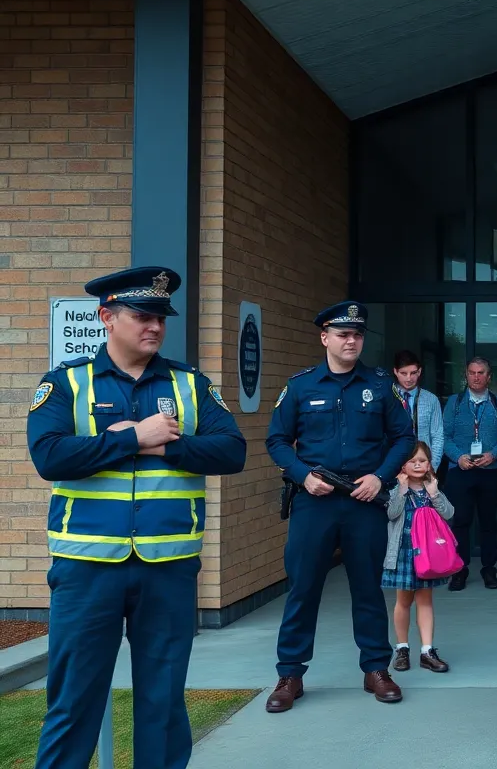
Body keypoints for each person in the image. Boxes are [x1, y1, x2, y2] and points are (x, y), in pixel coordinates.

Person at [26, 266, 247, 769]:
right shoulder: (65, 384)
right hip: (86, 569)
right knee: (73, 702)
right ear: (107, 317)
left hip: (168, 567)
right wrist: (129, 439)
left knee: (163, 704)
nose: (154, 327)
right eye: (142, 316)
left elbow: (232, 451)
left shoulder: (190, 385)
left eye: (161, 318)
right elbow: (50, 457)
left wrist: (163, 446)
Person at [264, 301, 415, 712]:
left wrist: (380, 477)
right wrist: (301, 475)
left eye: (358, 334)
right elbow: (277, 440)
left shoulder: (381, 386)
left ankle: (375, 669)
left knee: (367, 588)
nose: (352, 340)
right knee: (303, 587)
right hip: (315, 502)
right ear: (325, 338)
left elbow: (404, 437)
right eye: (343, 334)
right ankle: (290, 674)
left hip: (364, 502)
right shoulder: (301, 386)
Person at [441, 356, 497, 591]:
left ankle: (489, 570)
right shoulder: (454, 403)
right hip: (461, 471)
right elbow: (443, 436)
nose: (476, 377)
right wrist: (458, 457)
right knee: (460, 522)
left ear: (489, 376)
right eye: (472, 372)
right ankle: (459, 571)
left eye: (481, 372)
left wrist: (493, 454)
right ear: (465, 375)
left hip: (491, 471)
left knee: (488, 523)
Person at [382, 441, 455, 674]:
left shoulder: (432, 487)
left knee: (425, 601)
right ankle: (402, 649)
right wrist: (401, 491)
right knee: (403, 601)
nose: (417, 464)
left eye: (422, 460)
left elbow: (449, 513)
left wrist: (435, 494)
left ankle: (427, 651)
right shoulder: (395, 489)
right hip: (404, 552)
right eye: (412, 461)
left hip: (428, 555)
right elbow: (391, 513)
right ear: (402, 465)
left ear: (429, 464)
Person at [391, 349, 444, 470]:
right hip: (393, 464)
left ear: (419, 372)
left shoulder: (431, 399)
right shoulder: (387, 397)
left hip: (423, 465)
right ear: (395, 371)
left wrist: (432, 466)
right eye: (403, 373)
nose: (409, 378)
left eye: (413, 373)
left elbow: (437, 436)